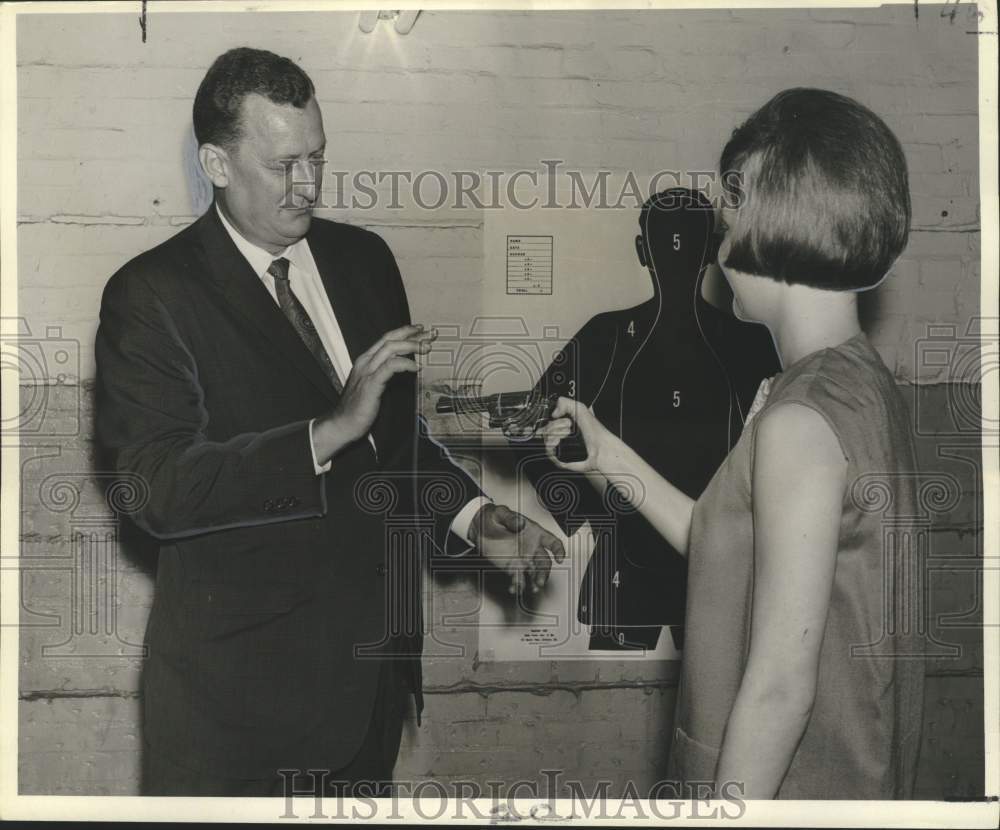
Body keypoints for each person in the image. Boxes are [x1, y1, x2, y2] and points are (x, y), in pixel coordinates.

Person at [94, 47, 564, 797]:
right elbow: (155, 490)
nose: (308, 184)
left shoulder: (365, 260)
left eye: (318, 156)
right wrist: (326, 432)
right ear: (216, 164)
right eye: (284, 165)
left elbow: (395, 445)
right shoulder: (151, 297)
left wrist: (476, 519)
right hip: (236, 721)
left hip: (369, 694)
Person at [541, 88, 924, 799]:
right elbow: (728, 550)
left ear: (778, 220)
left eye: (728, 219)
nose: (717, 250)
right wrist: (607, 455)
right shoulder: (854, 385)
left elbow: (780, 688)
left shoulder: (797, 421)